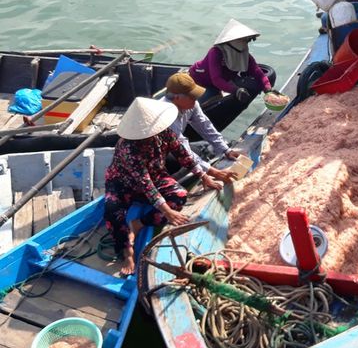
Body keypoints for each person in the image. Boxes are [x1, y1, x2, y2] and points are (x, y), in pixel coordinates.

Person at [104, 97, 222, 276]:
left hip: (155, 175)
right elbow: (146, 184)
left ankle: (139, 224)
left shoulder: (164, 133)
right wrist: (167, 212)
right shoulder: (128, 148)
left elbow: (183, 155)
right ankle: (127, 252)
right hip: (123, 183)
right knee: (112, 210)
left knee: (180, 196)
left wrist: (203, 176)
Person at [189, 19, 272, 128]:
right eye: (244, 40)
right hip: (201, 81)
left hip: (225, 80)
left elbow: (257, 72)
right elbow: (216, 79)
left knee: (260, 81)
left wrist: (268, 88)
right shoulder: (215, 52)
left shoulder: (244, 55)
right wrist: (236, 90)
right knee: (195, 109)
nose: (246, 43)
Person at [162, 72, 239, 183]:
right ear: (177, 98)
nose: (196, 99)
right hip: (161, 153)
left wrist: (226, 150)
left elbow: (205, 125)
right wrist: (212, 172)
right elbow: (181, 150)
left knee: (206, 149)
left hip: (176, 146)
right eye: (192, 96)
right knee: (176, 165)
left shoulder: (192, 104)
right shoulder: (166, 115)